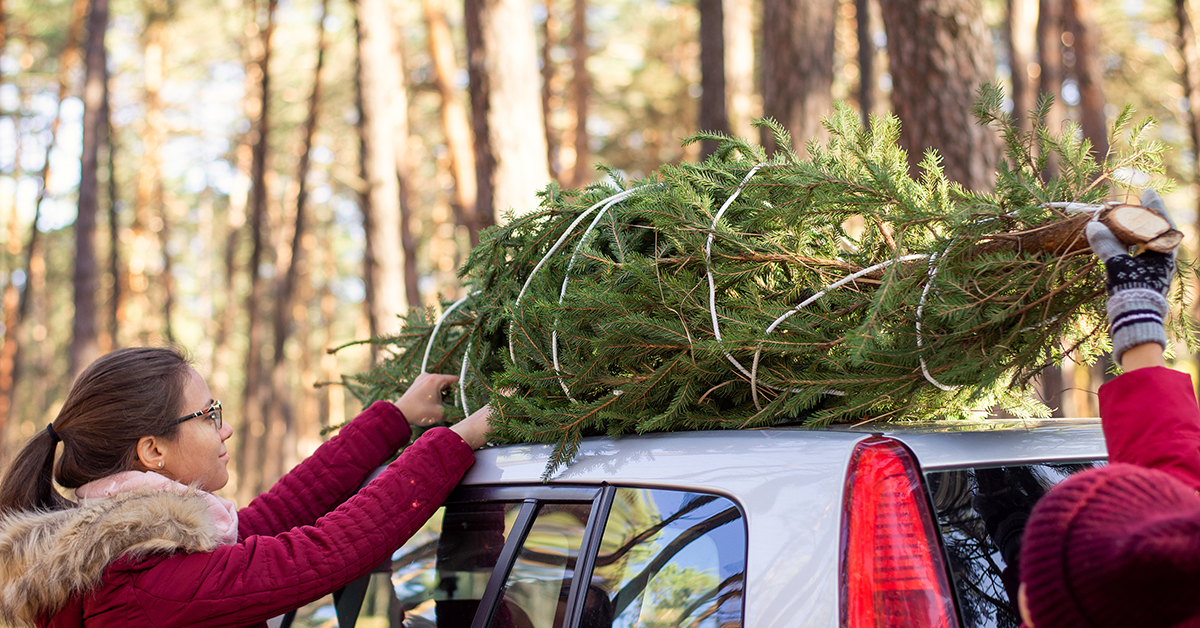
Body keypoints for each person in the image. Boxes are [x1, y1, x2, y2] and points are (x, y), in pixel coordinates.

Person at [0, 346, 493, 627]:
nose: (225, 428)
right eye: (209, 415)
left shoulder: (131, 553)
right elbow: (322, 553)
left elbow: (280, 514)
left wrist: (396, 418)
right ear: (154, 451)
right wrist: (456, 442)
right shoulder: (142, 579)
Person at [1017, 190, 1200, 628]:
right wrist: (1140, 318)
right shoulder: (1178, 564)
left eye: (1032, 577)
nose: (1022, 583)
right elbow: (1168, 467)